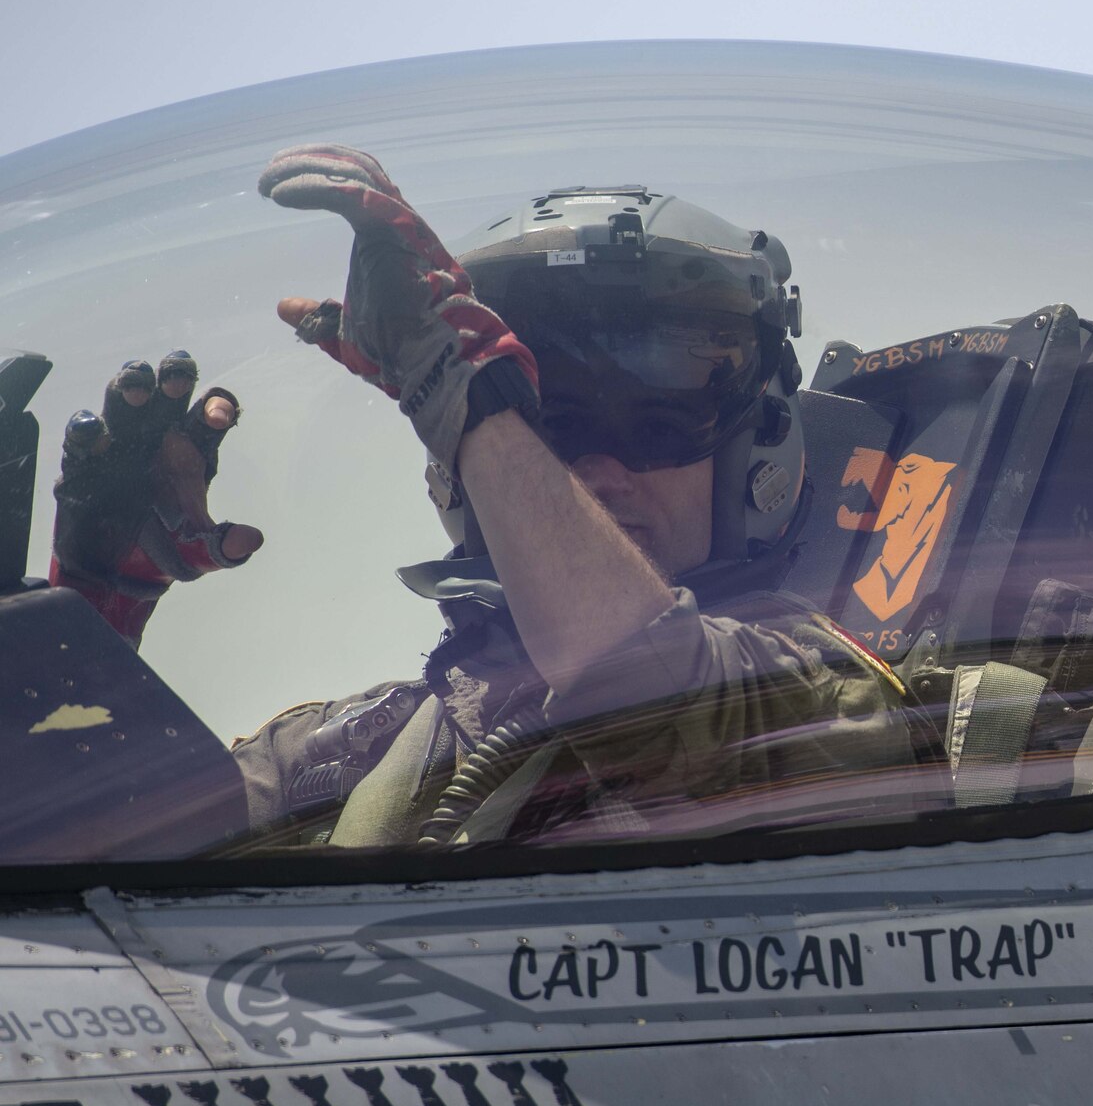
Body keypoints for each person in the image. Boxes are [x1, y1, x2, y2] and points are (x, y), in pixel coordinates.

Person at [225, 144, 914, 849]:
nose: (594, 473)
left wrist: (480, 402)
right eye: (548, 424)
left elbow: (647, 695)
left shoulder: (828, 709)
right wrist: (113, 597)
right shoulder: (347, 759)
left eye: (658, 414)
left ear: (760, 433)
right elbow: (136, 822)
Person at [49, 356, 263, 646]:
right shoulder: (182, 538)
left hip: (76, 641)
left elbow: (247, 540)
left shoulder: (179, 536)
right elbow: (246, 540)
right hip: (82, 645)